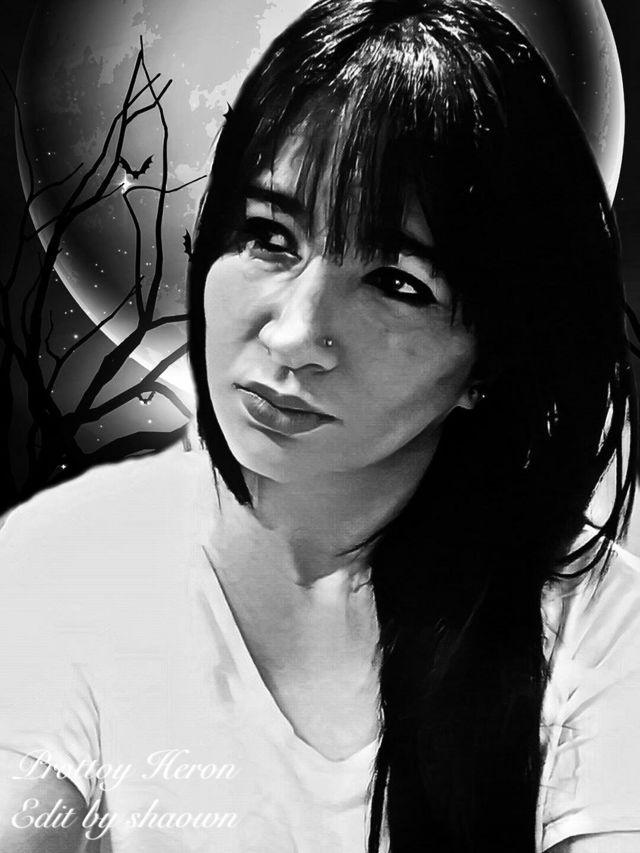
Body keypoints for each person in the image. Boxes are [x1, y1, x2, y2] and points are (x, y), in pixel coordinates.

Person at [0, 0, 639, 850]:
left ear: (491, 362)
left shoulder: (596, 622)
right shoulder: (64, 561)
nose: (295, 334)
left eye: (397, 282)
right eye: (269, 236)